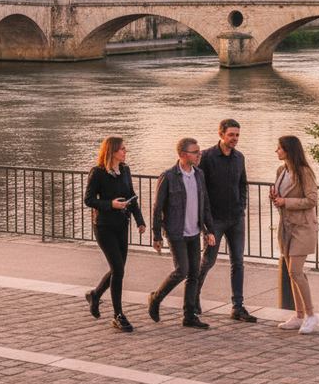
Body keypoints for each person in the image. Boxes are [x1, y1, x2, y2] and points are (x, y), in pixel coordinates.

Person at [149, 137, 215, 329]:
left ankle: (189, 315)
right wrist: (156, 235)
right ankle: (156, 298)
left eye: (199, 151)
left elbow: (205, 205)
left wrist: (209, 230)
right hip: (176, 232)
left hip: (194, 231)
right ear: (183, 155)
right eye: (195, 152)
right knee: (182, 270)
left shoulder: (199, 175)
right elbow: (157, 207)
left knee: (194, 274)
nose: (199, 154)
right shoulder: (169, 176)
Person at [83, 136, 146, 332]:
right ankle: (118, 315)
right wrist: (110, 204)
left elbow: (131, 196)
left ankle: (95, 294)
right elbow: (89, 199)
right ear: (111, 151)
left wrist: (140, 220)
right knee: (118, 270)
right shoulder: (98, 172)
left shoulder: (125, 170)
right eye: (122, 149)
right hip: (104, 226)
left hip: (121, 225)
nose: (125, 152)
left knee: (118, 269)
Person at [196, 118, 257, 322]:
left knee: (238, 262)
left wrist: (242, 207)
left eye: (237, 135)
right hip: (215, 220)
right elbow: (200, 188)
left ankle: (237, 307)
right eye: (231, 135)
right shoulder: (206, 157)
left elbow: (242, 185)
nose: (235, 139)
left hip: (236, 218)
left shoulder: (239, 157)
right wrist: (206, 222)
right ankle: (193, 298)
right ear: (221, 134)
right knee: (208, 260)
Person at [272, 135, 319, 334]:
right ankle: (299, 315)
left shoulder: (304, 172)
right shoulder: (281, 171)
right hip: (286, 226)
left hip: (303, 227)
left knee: (295, 271)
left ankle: (311, 315)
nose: (277, 151)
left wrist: (286, 202)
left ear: (289, 150)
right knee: (293, 273)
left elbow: (312, 200)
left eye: (280, 148)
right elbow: (282, 198)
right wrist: (276, 199)